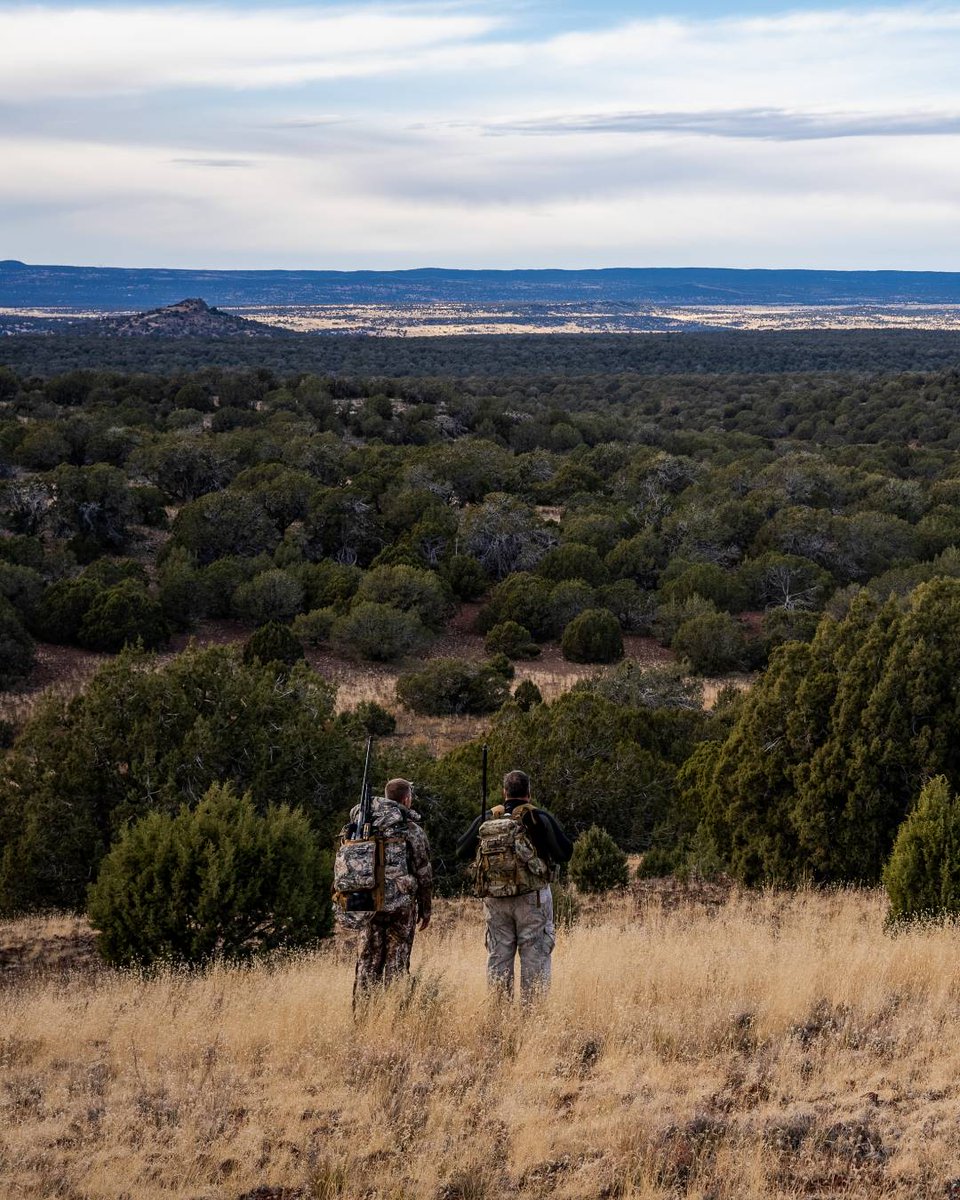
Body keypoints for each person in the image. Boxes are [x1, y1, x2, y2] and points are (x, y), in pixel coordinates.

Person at [456, 769, 572, 1000]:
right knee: (535, 954)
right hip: (533, 898)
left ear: (504, 792)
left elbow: (460, 850)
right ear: (529, 793)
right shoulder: (538, 817)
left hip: (495, 899)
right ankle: (532, 1017)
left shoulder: (488, 818)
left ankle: (500, 1015)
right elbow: (565, 853)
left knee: (499, 955)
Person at [343, 777, 432, 1003]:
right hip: (400, 905)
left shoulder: (362, 827)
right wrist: (426, 908)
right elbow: (423, 872)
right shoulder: (410, 830)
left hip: (366, 900)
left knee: (368, 959)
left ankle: (363, 1013)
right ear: (406, 799)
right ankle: (393, 1014)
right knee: (397, 959)